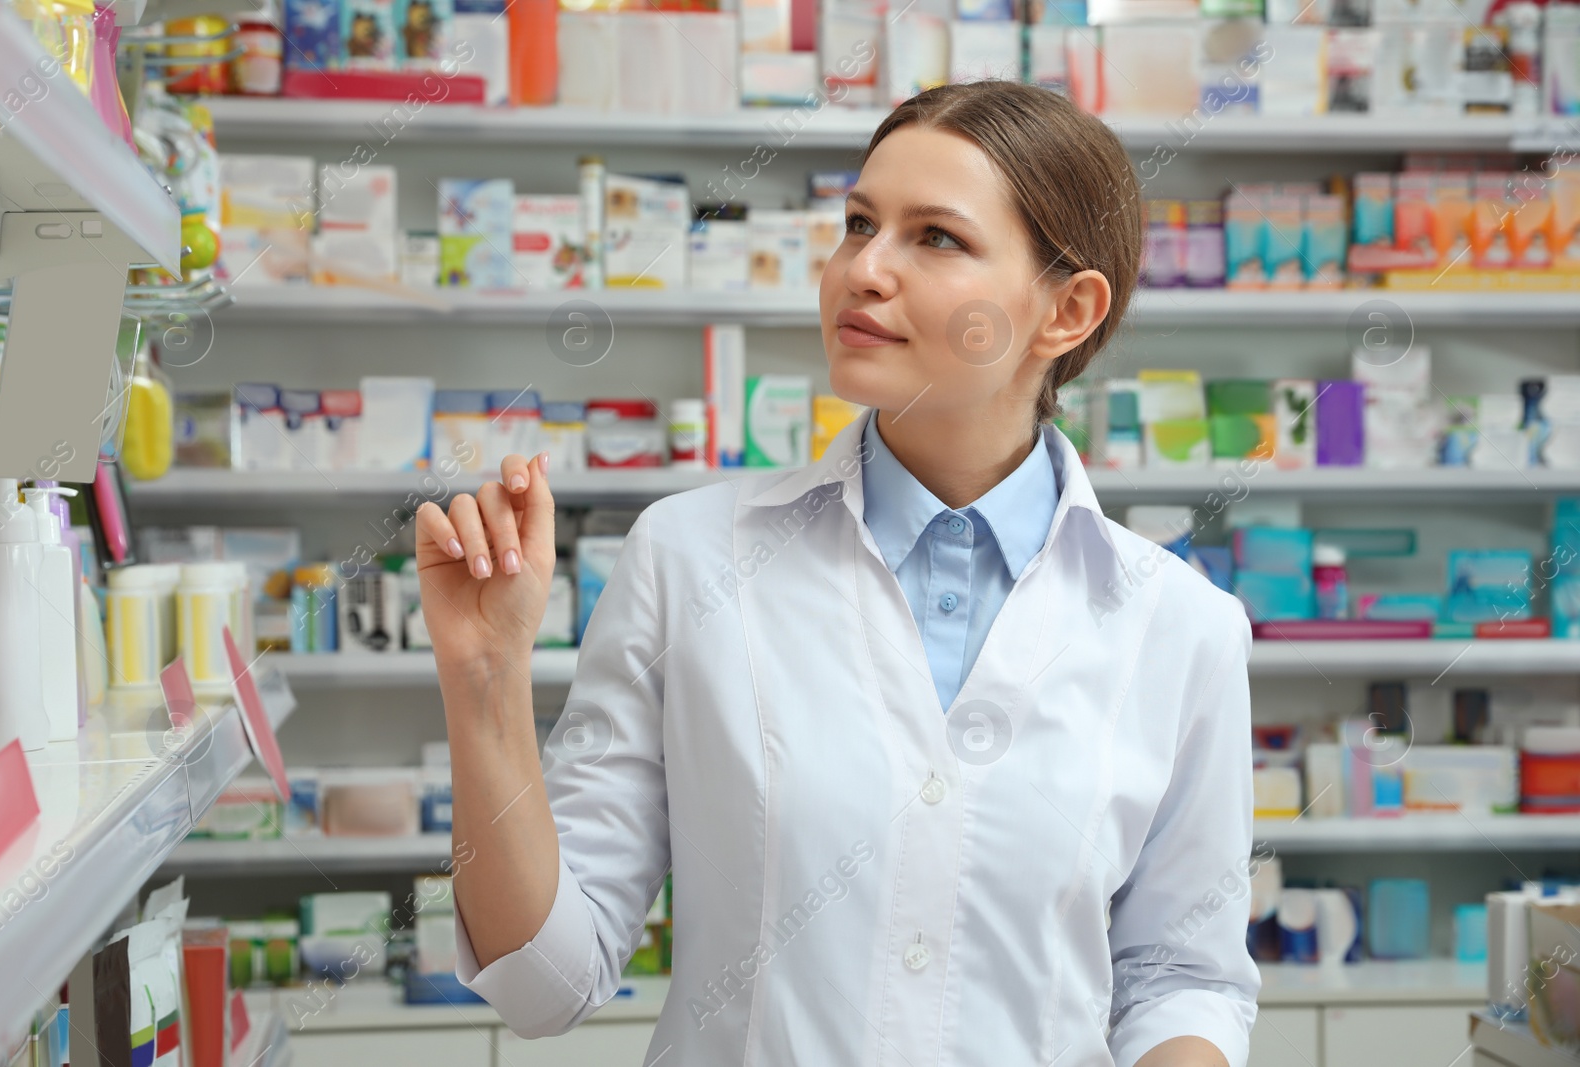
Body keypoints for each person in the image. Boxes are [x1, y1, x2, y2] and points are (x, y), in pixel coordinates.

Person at [415, 79, 1260, 1067]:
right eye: (859, 223)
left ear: (1066, 311)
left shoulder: (1178, 623)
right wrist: (483, 678)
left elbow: (1181, 976)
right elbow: (541, 984)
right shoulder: (691, 559)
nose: (864, 268)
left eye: (934, 237)